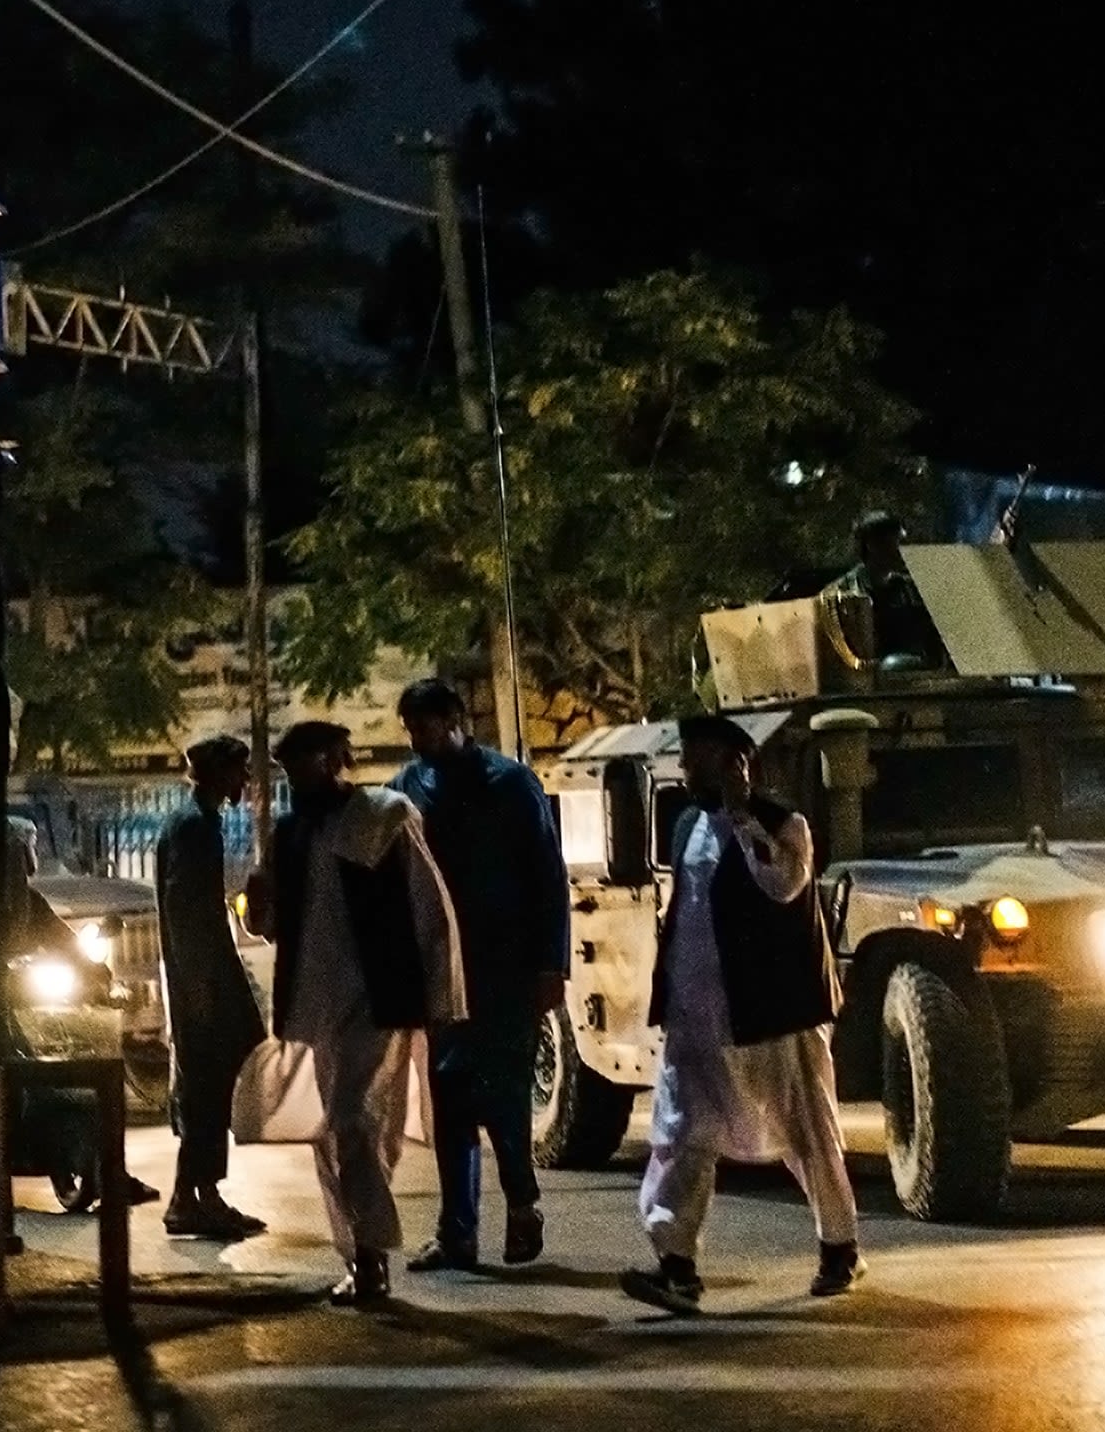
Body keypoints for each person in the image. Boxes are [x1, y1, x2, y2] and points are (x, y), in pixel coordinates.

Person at [622, 715, 862, 1315]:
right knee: (680, 1134)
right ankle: (676, 1267)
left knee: (808, 1131)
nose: (684, 766)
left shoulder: (784, 826)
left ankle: (839, 1247)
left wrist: (743, 816)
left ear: (735, 762)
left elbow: (781, 885)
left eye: (695, 756)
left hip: (773, 1013)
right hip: (695, 1015)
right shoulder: (686, 825)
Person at [244, 721, 464, 1306]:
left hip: (377, 998)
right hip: (316, 1004)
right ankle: (358, 1254)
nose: (299, 776)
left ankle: (371, 1256)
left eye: (308, 762)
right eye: (291, 766)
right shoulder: (290, 833)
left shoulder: (383, 816)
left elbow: (429, 906)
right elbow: (271, 925)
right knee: (337, 1133)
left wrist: (443, 996)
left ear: (336, 759)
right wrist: (255, 909)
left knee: (353, 1124)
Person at [388, 680, 568, 1272]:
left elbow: (547, 876)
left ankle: (522, 1206)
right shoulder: (408, 787)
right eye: (410, 729)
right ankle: (457, 1231)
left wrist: (551, 965)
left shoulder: (511, 783)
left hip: (506, 969)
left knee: (504, 1092)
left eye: (424, 727)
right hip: (441, 970)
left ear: (454, 720)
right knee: (449, 1100)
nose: (416, 739)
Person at [153, 736, 268, 1239]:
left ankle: (197, 1194)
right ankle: (194, 1197)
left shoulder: (195, 822)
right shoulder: (194, 826)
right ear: (219, 773)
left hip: (202, 976)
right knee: (207, 1086)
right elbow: (186, 911)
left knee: (209, 1084)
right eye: (239, 771)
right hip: (202, 980)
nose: (245, 780)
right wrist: (199, 985)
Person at [822, 511, 945, 671]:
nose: (904, 550)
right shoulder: (841, 593)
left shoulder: (912, 589)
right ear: (873, 545)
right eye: (898, 542)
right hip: (869, 676)